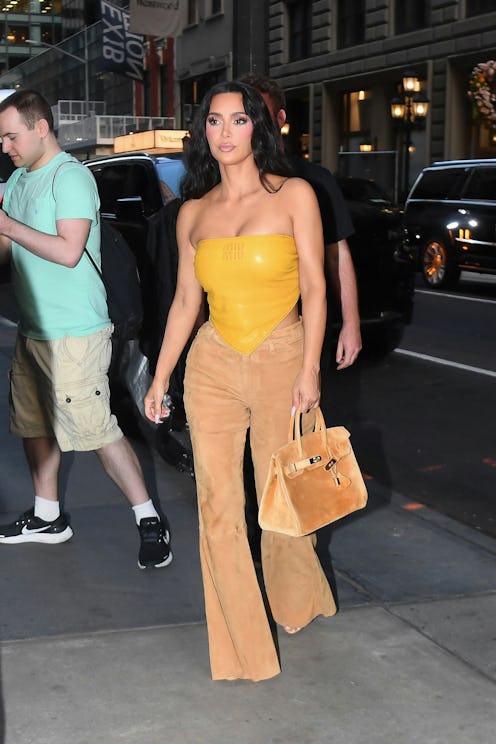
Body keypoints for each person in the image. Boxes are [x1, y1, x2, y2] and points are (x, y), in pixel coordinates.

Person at [144, 80, 336, 682]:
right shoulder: (193, 213)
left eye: (237, 121)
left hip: (282, 355)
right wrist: (161, 377)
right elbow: (184, 303)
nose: (225, 133)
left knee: (279, 498)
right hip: (212, 364)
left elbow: (315, 286)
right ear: (203, 133)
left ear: (259, 128)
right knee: (218, 507)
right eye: (214, 122)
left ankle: (295, 597)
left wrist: (310, 369)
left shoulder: (294, 195)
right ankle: (242, 649)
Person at [0, 89, 172, 570]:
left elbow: (69, 250)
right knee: (33, 425)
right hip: (34, 327)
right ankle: (47, 516)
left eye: (12, 136)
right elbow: (8, 248)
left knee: (96, 431)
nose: (6, 146)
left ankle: (148, 518)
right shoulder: (17, 180)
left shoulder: (70, 177)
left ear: (40, 128)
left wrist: (8, 227)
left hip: (77, 331)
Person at [240, 74, 362, 371]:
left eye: (261, 113)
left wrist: (352, 322)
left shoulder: (315, 180)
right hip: (236, 326)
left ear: (280, 117)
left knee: (297, 414)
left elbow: (337, 252)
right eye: (245, 116)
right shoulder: (228, 184)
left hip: (300, 325)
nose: (253, 123)